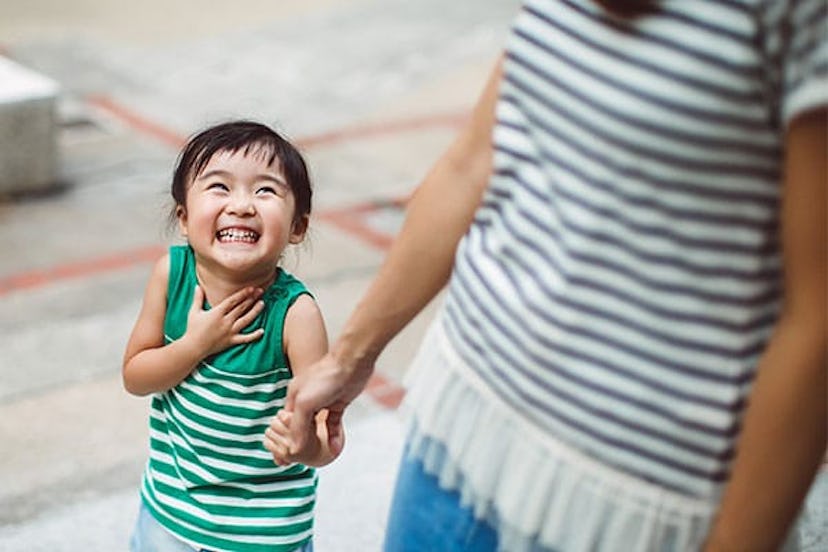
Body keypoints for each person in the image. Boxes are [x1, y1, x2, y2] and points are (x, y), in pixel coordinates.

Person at [266, 1, 827, 551]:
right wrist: (349, 358)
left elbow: (817, 318)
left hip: (637, 493)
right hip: (462, 421)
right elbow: (472, 165)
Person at [123, 120, 343, 552]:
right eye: (220, 188)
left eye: (265, 191)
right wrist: (194, 344)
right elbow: (136, 376)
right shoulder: (172, 276)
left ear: (297, 227)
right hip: (169, 512)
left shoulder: (295, 315)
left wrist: (307, 446)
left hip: (262, 533)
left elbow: (322, 435)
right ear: (184, 218)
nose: (242, 205)